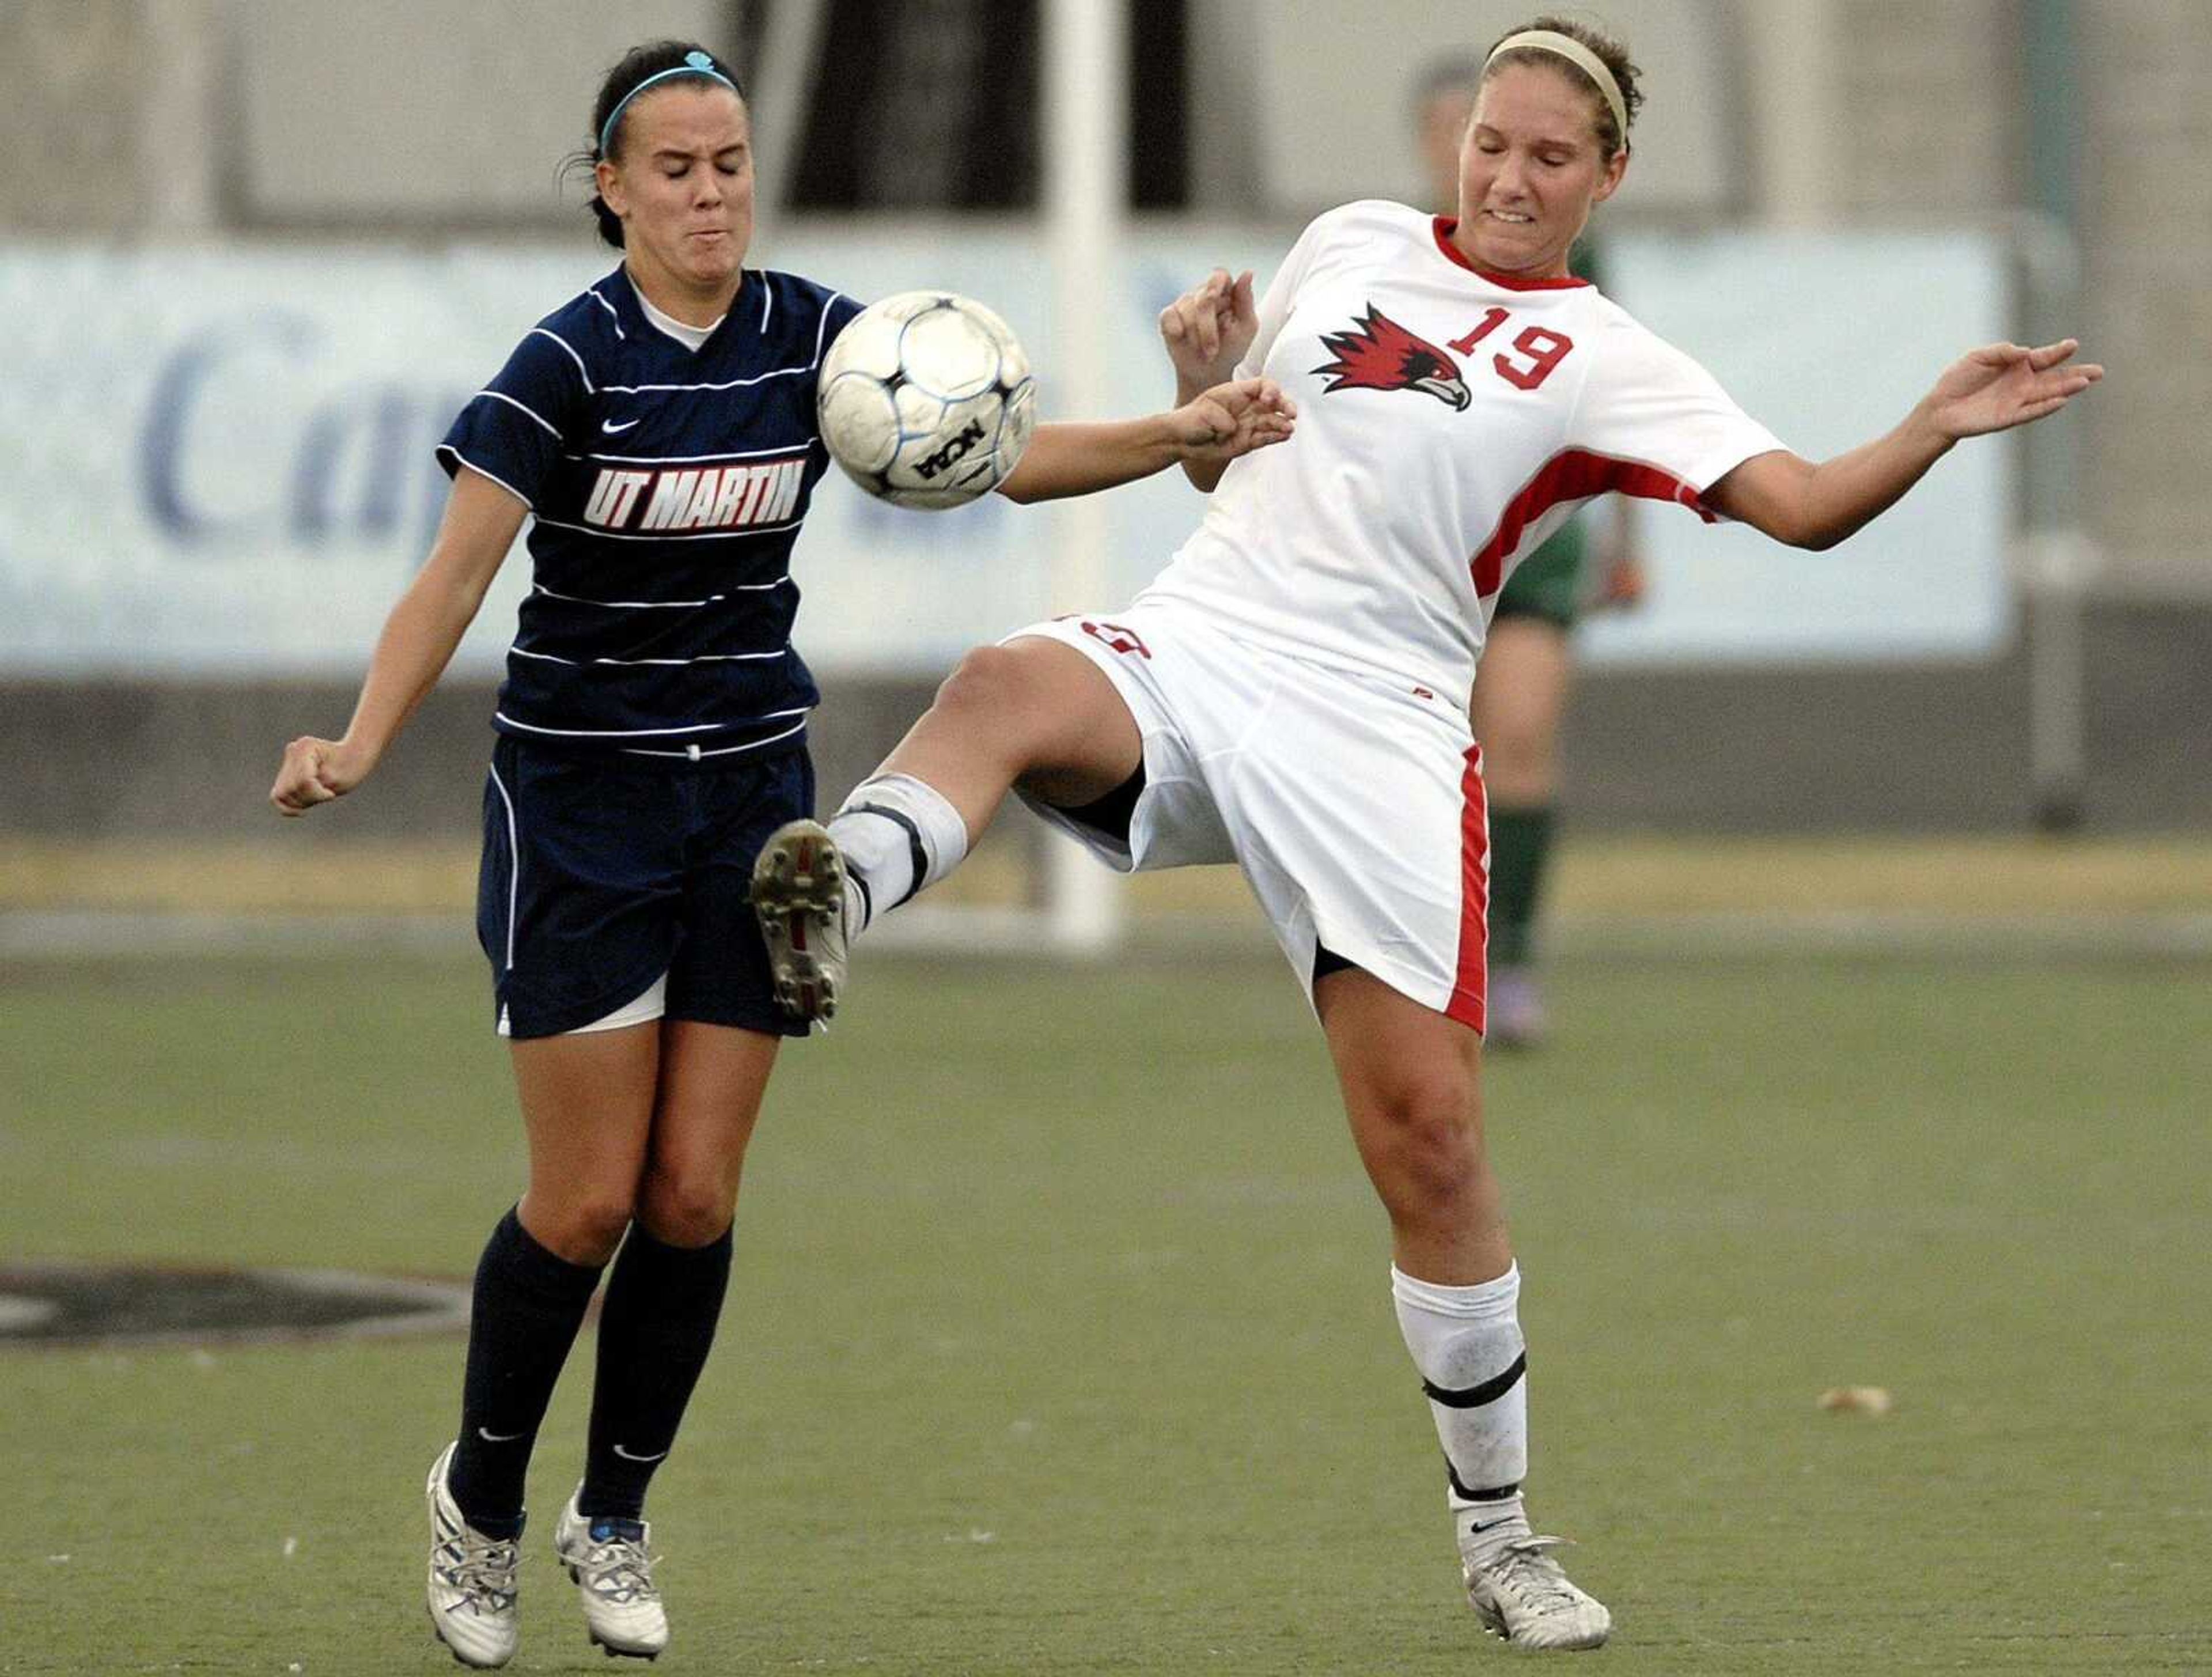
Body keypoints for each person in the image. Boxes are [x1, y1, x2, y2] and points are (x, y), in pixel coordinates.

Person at [750, 14, 2100, 1652]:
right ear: (1456, 147)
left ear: (1605, 178)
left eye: (1550, 156)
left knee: (1432, 1153)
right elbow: (1234, 473)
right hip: (1207, 644)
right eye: (1492, 144)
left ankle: (1501, 1536)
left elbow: (1800, 508)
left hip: (1382, 729)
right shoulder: (1351, 243)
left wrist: (1930, 425)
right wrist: (1197, 396)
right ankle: (830, 909)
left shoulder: (1609, 355)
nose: (1511, 176)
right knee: (1004, 683)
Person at [266, 39, 1291, 1670]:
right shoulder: (564, 365)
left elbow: (1000, 457)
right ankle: (478, 1501)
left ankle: (615, 1517)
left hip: (753, 807)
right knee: (588, 1197)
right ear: (611, 190)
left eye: (732, 162)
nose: (712, 193)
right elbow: (454, 578)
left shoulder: (825, 339)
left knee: (692, 1192)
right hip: (583, 810)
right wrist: (362, 738)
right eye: (675, 169)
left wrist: (1179, 434)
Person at [1415, 52, 1643, 1047]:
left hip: (1536, 556)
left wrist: (1627, 537)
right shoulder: (1391, 256)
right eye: (1474, 138)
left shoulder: (1580, 264)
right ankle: (1429, 962)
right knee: (1417, 765)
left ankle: (1511, 966)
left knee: (1518, 746)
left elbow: (1632, 406)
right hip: (1418, 556)